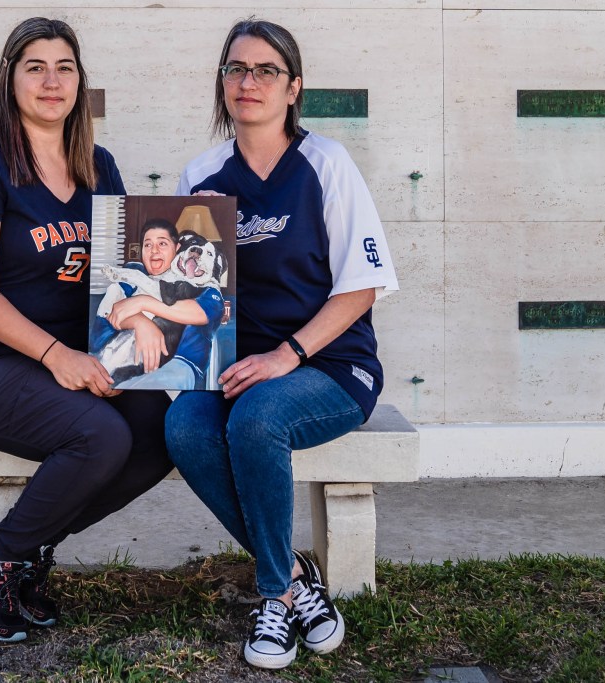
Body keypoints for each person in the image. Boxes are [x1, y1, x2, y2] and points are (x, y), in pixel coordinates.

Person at [0, 17, 174, 644]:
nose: (51, 81)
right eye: (35, 67)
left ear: (80, 83)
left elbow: (120, 279)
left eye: (65, 68)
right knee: (99, 435)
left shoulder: (100, 166)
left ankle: (26, 549)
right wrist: (58, 354)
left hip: (70, 361)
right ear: (10, 81)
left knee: (163, 430)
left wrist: (140, 340)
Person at [166, 19, 399, 670]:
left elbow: (363, 286)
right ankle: (298, 580)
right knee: (184, 425)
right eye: (235, 70)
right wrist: (195, 241)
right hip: (234, 362)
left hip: (329, 364)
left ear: (293, 87)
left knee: (258, 417)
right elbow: (188, 301)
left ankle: (273, 593)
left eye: (266, 70)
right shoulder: (202, 174)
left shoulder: (327, 164)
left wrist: (284, 356)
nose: (248, 82)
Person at [90, 218, 225, 389]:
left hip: (178, 364)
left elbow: (199, 312)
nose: (154, 251)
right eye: (148, 245)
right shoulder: (133, 272)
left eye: (162, 244)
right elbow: (112, 311)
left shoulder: (206, 288)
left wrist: (142, 302)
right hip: (113, 355)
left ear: (177, 249)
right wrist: (141, 322)